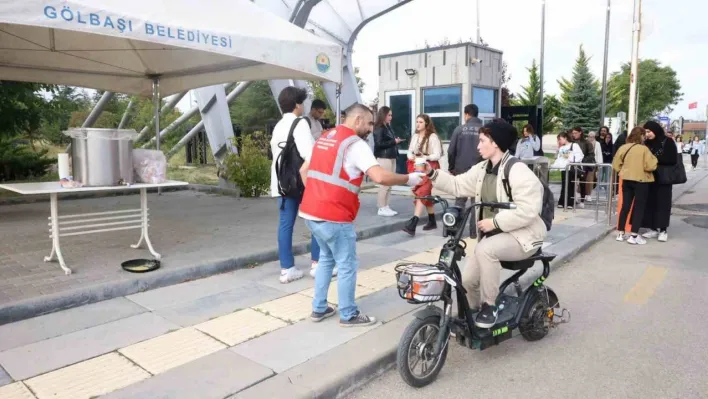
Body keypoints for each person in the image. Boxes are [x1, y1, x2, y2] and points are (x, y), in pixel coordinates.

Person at [298, 103, 425, 327]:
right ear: (357, 120)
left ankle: (319, 308)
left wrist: (316, 196)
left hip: (310, 212)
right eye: (368, 123)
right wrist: (408, 179)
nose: (369, 129)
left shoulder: (324, 137)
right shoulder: (354, 145)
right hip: (335, 215)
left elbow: (304, 170)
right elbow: (379, 177)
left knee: (326, 259)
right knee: (347, 264)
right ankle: (348, 314)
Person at [424, 121, 547, 328]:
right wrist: (432, 173)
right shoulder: (483, 169)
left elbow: (528, 210)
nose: (478, 146)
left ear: (496, 143)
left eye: (482, 141)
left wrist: (495, 222)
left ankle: (490, 306)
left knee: (486, 250)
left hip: (524, 236)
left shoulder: (517, 171)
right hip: (494, 237)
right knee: (468, 282)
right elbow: (457, 185)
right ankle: (472, 316)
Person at [270, 87, 321, 284]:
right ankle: (318, 263)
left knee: (285, 224)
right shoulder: (300, 123)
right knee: (315, 220)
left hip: (281, 182)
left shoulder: (278, 126)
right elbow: (310, 155)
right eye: (303, 102)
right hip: (301, 182)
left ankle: (287, 268)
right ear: (297, 104)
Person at [612, 127, 658, 245]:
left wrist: (622, 171)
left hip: (626, 180)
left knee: (625, 207)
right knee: (639, 208)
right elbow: (650, 166)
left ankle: (620, 233)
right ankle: (634, 235)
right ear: (641, 136)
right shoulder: (644, 149)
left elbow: (616, 164)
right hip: (641, 181)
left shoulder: (623, 147)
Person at [402, 114, 443, 236]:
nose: (418, 124)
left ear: (426, 123)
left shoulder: (432, 136)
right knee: (425, 194)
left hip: (429, 167)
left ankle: (413, 223)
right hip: (416, 166)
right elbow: (409, 151)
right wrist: (411, 157)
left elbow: (438, 154)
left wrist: (426, 157)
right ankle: (432, 221)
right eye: (417, 122)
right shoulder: (415, 136)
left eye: (420, 122)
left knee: (422, 193)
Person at [447, 104, 483, 237]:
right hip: (479, 171)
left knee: (459, 202)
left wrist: (452, 168)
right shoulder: (484, 130)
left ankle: (455, 231)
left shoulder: (459, 129)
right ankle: (475, 233)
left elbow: (451, 151)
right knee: (476, 203)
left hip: (461, 170)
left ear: (466, 114)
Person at [641, 121, 677, 242]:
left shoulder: (668, 142)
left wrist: (654, 160)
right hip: (649, 178)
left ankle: (663, 230)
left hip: (663, 179)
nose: (647, 134)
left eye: (649, 131)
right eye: (645, 132)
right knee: (650, 203)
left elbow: (672, 159)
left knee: (663, 204)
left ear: (655, 130)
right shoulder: (646, 143)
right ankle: (652, 228)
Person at [373, 106, 404, 216]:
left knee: (390, 183)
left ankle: (386, 206)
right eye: (389, 115)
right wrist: (393, 142)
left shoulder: (388, 127)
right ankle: (381, 207)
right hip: (384, 158)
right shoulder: (379, 128)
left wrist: (395, 141)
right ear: (383, 115)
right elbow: (378, 144)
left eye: (391, 115)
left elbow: (388, 141)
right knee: (385, 183)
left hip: (391, 156)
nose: (391, 117)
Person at [553, 131, 584, 209]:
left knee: (571, 185)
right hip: (564, 168)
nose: (560, 141)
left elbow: (580, 155)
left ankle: (570, 202)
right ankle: (562, 201)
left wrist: (571, 160)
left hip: (571, 167)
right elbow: (559, 159)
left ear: (565, 138)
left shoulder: (574, 145)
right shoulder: (562, 148)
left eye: (560, 139)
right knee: (564, 185)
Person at [571, 127, 591, 208]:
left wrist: (583, 160)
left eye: (575, 133)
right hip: (573, 164)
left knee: (582, 183)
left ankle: (582, 200)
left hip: (582, 165)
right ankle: (573, 198)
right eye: (573, 133)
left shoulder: (586, 143)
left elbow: (591, 154)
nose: (574, 135)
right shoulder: (571, 142)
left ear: (580, 133)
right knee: (572, 182)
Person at [584, 131, 604, 200]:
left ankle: (589, 194)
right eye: (589, 136)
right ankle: (583, 194)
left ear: (594, 137)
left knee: (591, 179)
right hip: (584, 163)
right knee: (583, 179)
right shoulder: (585, 142)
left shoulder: (597, 143)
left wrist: (599, 164)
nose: (591, 138)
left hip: (593, 164)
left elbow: (599, 154)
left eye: (592, 136)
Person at [599, 127, 614, 193]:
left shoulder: (612, 145)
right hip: (602, 161)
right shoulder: (601, 144)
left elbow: (612, 153)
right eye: (607, 137)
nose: (608, 139)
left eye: (609, 137)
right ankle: (599, 188)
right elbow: (601, 152)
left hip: (608, 162)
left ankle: (606, 188)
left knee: (607, 176)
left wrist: (608, 153)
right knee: (601, 175)